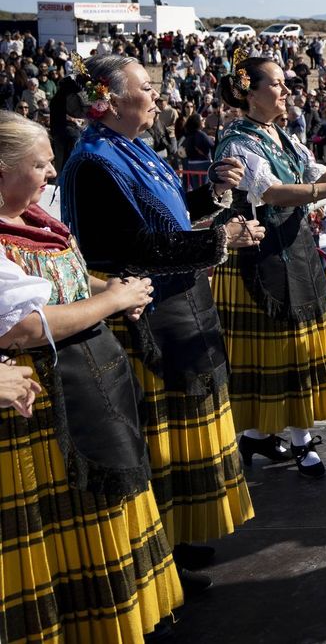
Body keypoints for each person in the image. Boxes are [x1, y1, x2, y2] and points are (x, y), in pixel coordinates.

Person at [59, 54, 265, 584]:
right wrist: (222, 239)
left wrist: (211, 194)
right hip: (147, 315)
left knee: (180, 433)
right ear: (110, 101)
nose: (157, 98)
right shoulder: (95, 162)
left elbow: (166, 214)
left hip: (180, 304)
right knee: (161, 438)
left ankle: (176, 538)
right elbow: (136, 244)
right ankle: (162, 556)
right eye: (146, 88)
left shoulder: (131, 148)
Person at [0, 114, 184, 641]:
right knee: (73, 517)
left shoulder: (33, 219)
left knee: (110, 493)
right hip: (48, 399)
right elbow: (25, 326)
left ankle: (127, 608)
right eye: (39, 165)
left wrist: (108, 286)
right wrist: (112, 300)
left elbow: (62, 282)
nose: (52, 173)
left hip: (90, 378)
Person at [211, 57, 326, 477]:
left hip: (292, 248)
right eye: (277, 84)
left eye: (284, 83)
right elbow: (274, 192)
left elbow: (311, 171)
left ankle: (260, 437)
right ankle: (298, 439)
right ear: (250, 92)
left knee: (296, 345)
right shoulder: (237, 141)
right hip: (257, 257)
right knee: (283, 349)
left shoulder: (279, 134)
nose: (285, 91)